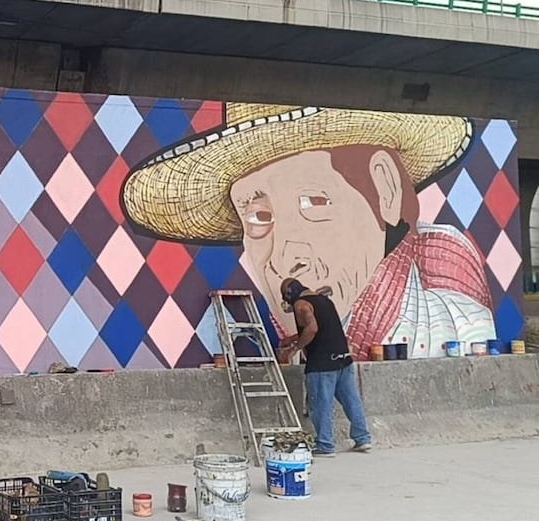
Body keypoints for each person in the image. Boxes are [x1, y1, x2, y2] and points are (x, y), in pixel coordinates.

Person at [122, 103, 495, 360]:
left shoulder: (446, 301)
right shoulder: (305, 307)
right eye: (258, 217)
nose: (284, 256)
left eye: (314, 203)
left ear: (385, 189)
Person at [279, 278, 372, 457]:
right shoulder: (324, 301)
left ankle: (325, 445)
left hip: (322, 363)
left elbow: (312, 329)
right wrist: (292, 339)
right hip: (343, 358)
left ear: (289, 294)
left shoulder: (301, 304)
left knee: (321, 405)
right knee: (352, 401)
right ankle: (363, 439)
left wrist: (294, 349)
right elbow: (323, 328)